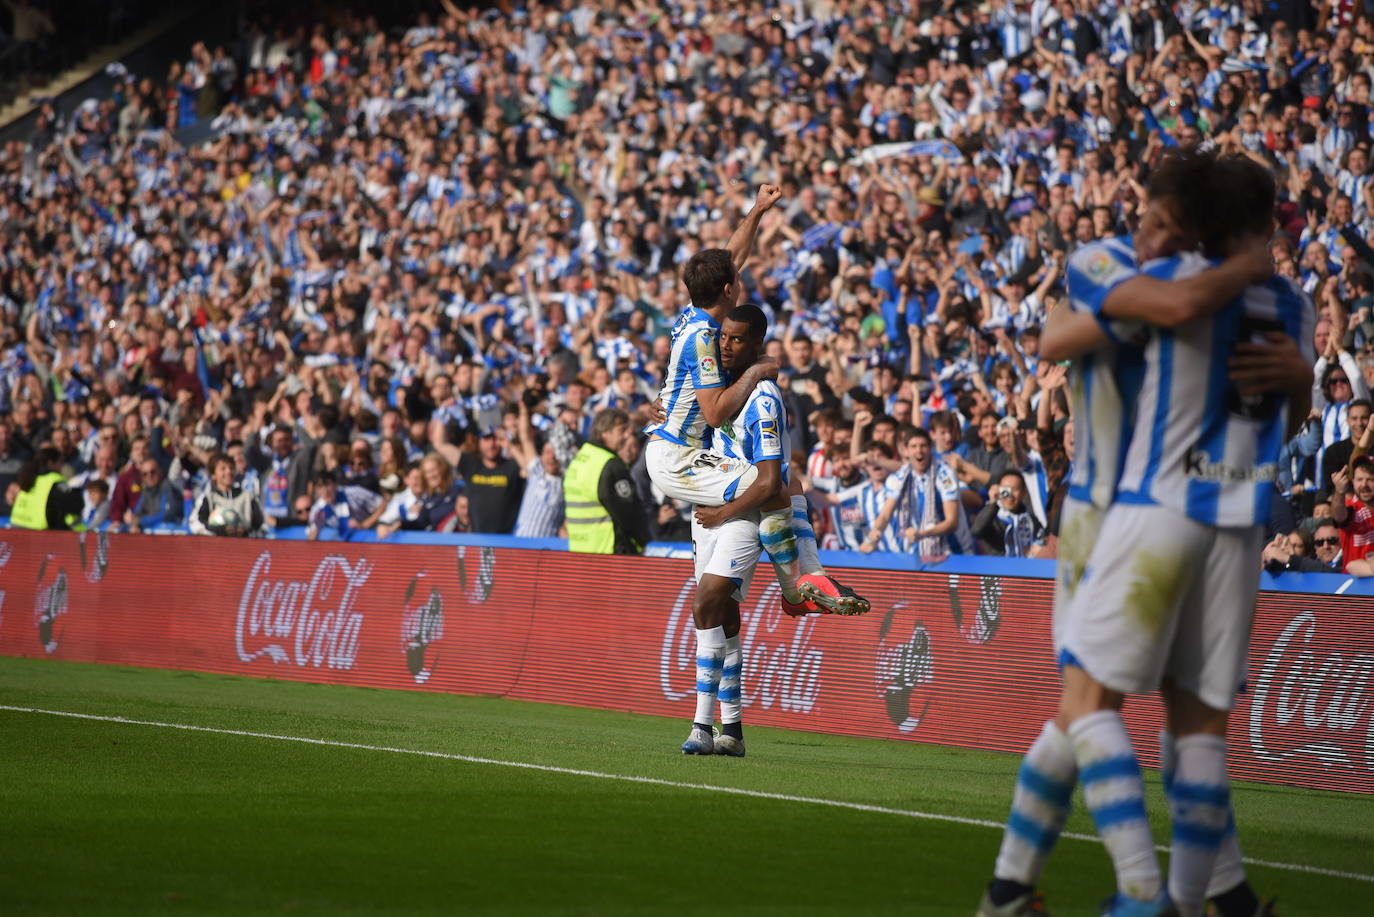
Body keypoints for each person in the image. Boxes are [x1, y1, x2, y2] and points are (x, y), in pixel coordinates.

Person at [980, 152, 1292, 917]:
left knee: (1093, 707)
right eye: (1144, 217)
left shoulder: (1193, 283)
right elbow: (1058, 338)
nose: (1147, 232)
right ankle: (1027, 887)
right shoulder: (1112, 261)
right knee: (1098, 708)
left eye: (1164, 221)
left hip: (1147, 508)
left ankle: (1132, 891)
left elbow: (1069, 334)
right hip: (1110, 510)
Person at [642, 184, 864, 615]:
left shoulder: (695, 312)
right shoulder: (707, 340)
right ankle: (797, 588)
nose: (740, 277)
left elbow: (732, 256)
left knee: (786, 487)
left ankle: (799, 583)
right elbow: (714, 410)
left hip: (678, 449)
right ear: (728, 290)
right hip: (678, 457)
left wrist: (758, 210)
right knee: (773, 487)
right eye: (736, 279)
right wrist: (758, 371)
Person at [860, 427, 973, 557]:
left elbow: (952, 522)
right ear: (906, 451)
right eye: (913, 446)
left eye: (923, 446)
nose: (919, 451)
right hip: (924, 553)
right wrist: (875, 533)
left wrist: (922, 534)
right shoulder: (899, 477)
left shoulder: (945, 474)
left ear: (931, 448)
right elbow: (885, 515)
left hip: (956, 552)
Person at [563, 408, 648, 555]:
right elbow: (628, 512)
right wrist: (644, 540)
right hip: (609, 551)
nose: (628, 435)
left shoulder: (581, 458)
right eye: (622, 430)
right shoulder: (610, 465)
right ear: (605, 433)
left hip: (580, 549)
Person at [455, 427, 524, 534]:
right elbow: (440, 444)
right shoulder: (471, 465)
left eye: (496, 439)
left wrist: (510, 446)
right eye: (486, 439)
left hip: (507, 540)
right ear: (479, 442)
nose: (491, 445)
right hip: (479, 539)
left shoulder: (511, 466)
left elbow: (532, 472)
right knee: (486, 551)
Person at [972, 471, 1046, 557]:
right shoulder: (992, 518)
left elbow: (1042, 539)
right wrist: (992, 503)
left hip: (1023, 568)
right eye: (1006, 490)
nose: (1010, 495)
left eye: (1015, 489)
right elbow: (976, 531)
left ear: (1023, 493)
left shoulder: (1030, 520)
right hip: (996, 569)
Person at [190, 452, 264, 537]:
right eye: (223, 469)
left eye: (231, 468)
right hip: (216, 546)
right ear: (213, 475)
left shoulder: (248, 497)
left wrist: (246, 532)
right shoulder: (207, 498)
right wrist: (218, 530)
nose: (228, 471)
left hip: (244, 547)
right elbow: (196, 523)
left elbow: (261, 525)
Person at [10, 447, 83, 530]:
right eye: (60, 462)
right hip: (40, 534)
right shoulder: (53, 480)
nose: (62, 467)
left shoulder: (29, 478)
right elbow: (76, 504)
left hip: (17, 530)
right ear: (51, 464)